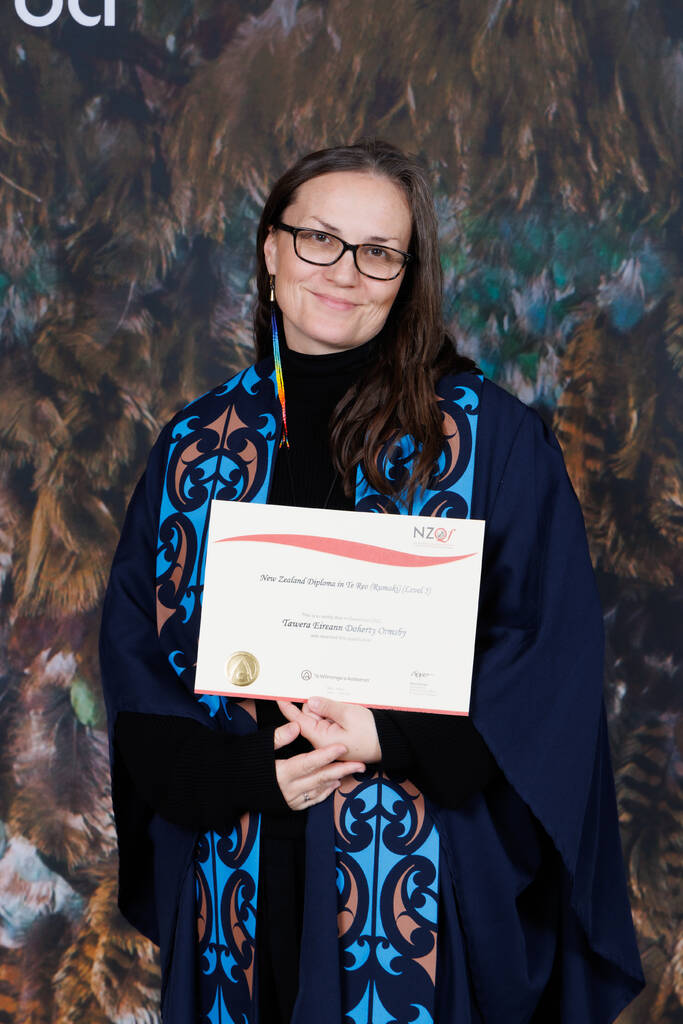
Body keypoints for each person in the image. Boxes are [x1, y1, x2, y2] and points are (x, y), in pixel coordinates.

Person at [99, 139, 644, 1024]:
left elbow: (547, 656)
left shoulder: (487, 442)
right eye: (319, 239)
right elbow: (136, 664)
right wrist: (250, 774)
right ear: (271, 251)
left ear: (407, 277)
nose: (344, 272)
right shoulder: (196, 448)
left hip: (417, 885)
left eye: (378, 252)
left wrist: (387, 733)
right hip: (237, 875)